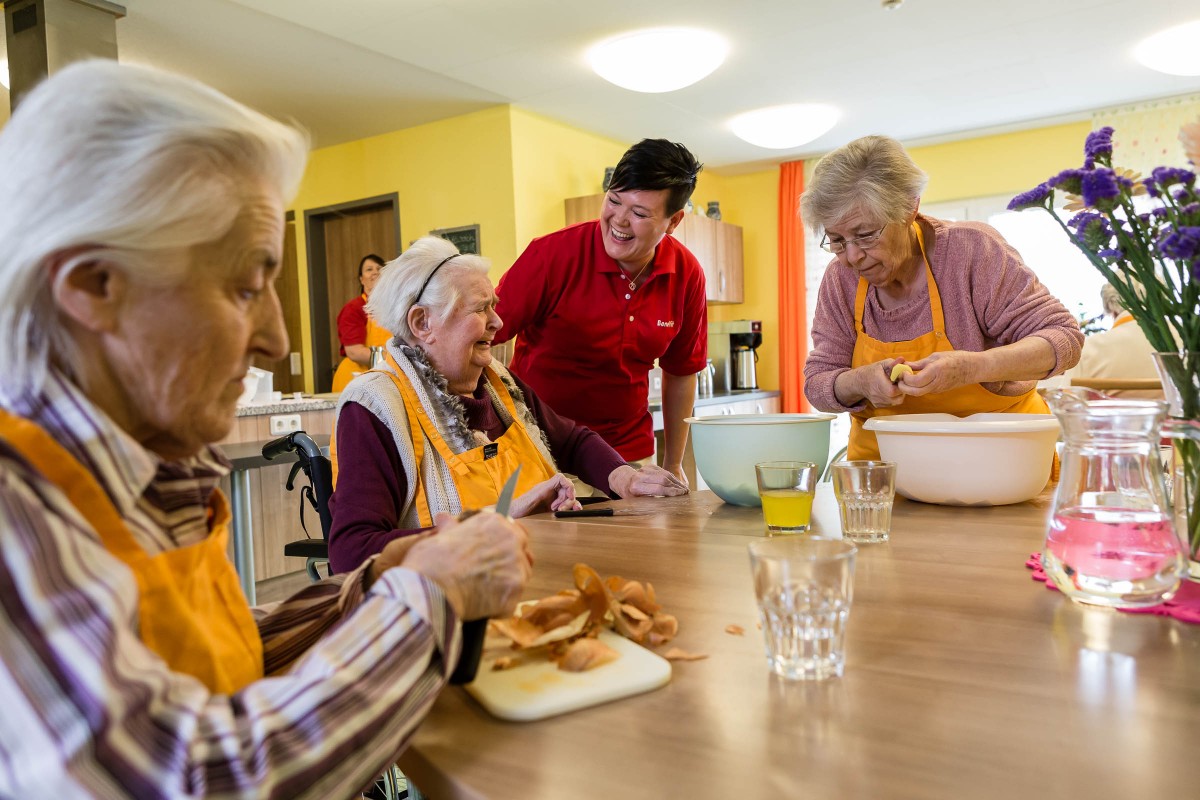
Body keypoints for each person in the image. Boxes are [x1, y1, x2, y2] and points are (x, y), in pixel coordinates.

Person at [0, 61, 532, 798]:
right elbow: (185, 776)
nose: (277, 339)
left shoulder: (134, 472)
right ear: (94, 287)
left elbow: (208, 651)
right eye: (248, 287)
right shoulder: (14, 509)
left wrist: (380, 582)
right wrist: (428, 601)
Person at [328, 236, 688, 573]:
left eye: (494, 307)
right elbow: (352, 552)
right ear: (423, 323)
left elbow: (572, 440)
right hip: (445, 610)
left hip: (536, 574)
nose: (498, 322)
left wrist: (623, 477)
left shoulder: (498, 381)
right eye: (481, 310)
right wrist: (496, 520)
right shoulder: (375, 408)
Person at [801, 135, 1083, 460]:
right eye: (836, 240)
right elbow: (818, 384)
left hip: (1000, 463)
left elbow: (1064, 340)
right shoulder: (840, 280)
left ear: (909, 207)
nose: (852, 257)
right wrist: (857, 382)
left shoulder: (971, 252)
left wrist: (972, 368)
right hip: (889, 477)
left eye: (865, 235)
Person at [494, 138, 708, 493]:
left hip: (628, 454)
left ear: (673, 221)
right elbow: (484, 332)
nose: (619, 221)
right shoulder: (551, 255)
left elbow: (682, 372)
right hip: (540, 451)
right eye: (613, 200)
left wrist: (673, 463)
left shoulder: (687, 274)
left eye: (639, 213)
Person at [1064, 283, 1163, 399]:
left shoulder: (1088, 348)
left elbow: (1067, 403)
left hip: (1110, 417)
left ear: (1111, 307)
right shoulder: (1182, 343)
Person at [331, 253, 389, 392]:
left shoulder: (393, 307)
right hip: (356, 377)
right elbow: (354, 352)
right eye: (369, 269)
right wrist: (394, 360)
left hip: (384, 375)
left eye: (379, 269)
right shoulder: (354, 308)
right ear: (361, 279)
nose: (375, 272)